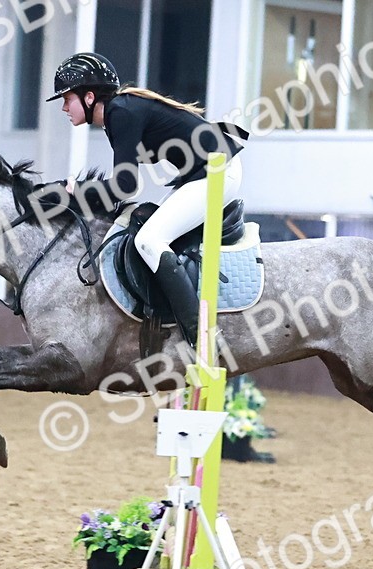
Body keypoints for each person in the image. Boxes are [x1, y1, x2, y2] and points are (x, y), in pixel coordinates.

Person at [47, 52, 246, 347]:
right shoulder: (118, 112)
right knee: (141, 224)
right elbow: (129, 189)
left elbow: (125, 186)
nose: (64, 107)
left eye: (67, 99)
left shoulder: (120, 113)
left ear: (89, 97)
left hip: (218, 172)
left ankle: (202, 336)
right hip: (203, 172)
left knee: (148, 240)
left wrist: (78, 190)